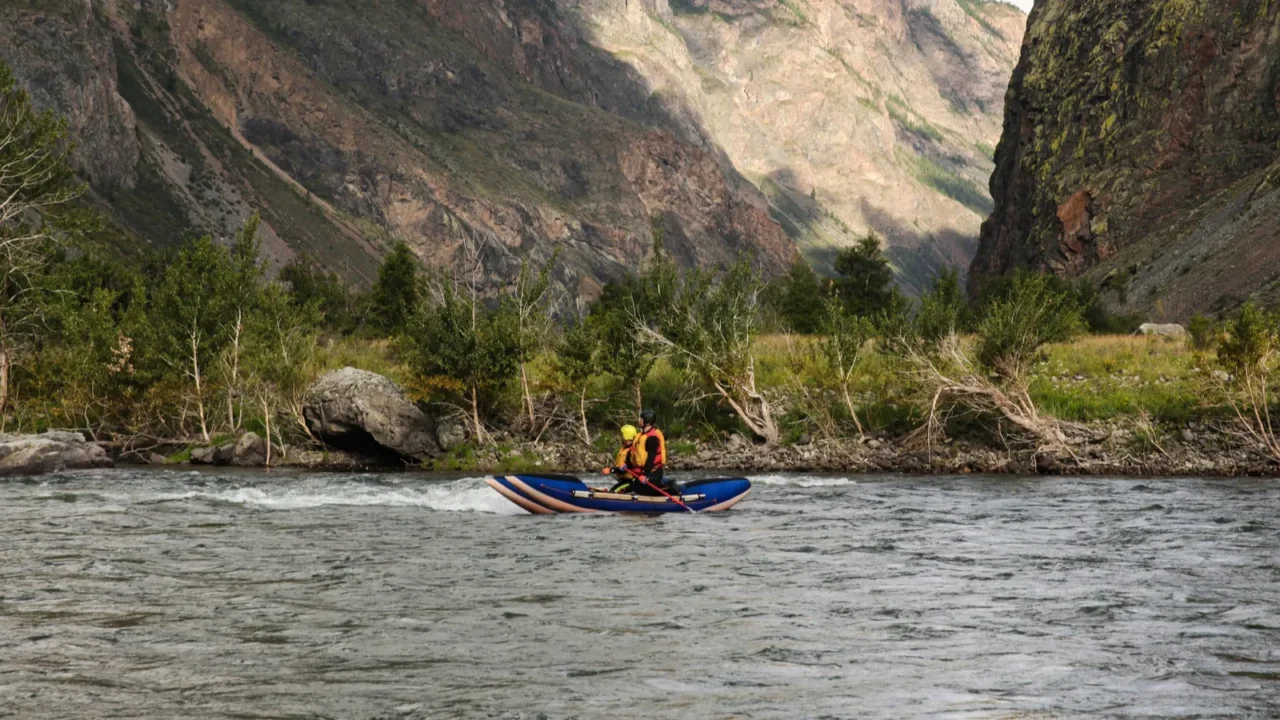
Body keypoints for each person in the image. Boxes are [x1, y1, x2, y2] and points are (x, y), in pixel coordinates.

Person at [633, 409, 669, 492]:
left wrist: (645, 474)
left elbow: (651, 457)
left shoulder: (652, 438)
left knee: (639, 489)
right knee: (632, 487)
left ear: (647, 422)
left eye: (641, 418)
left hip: (653, 473)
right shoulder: (643, 435)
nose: (639, 420)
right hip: (646, 471)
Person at [605, 425, 643, 493]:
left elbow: (626, 468)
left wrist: (611, 470)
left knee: (612, 492)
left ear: (626, 436)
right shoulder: (624, 449)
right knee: (612, 491)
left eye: (622, 435)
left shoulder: (631, 451)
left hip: (630, 481)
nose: (620, 437)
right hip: (624, 480)